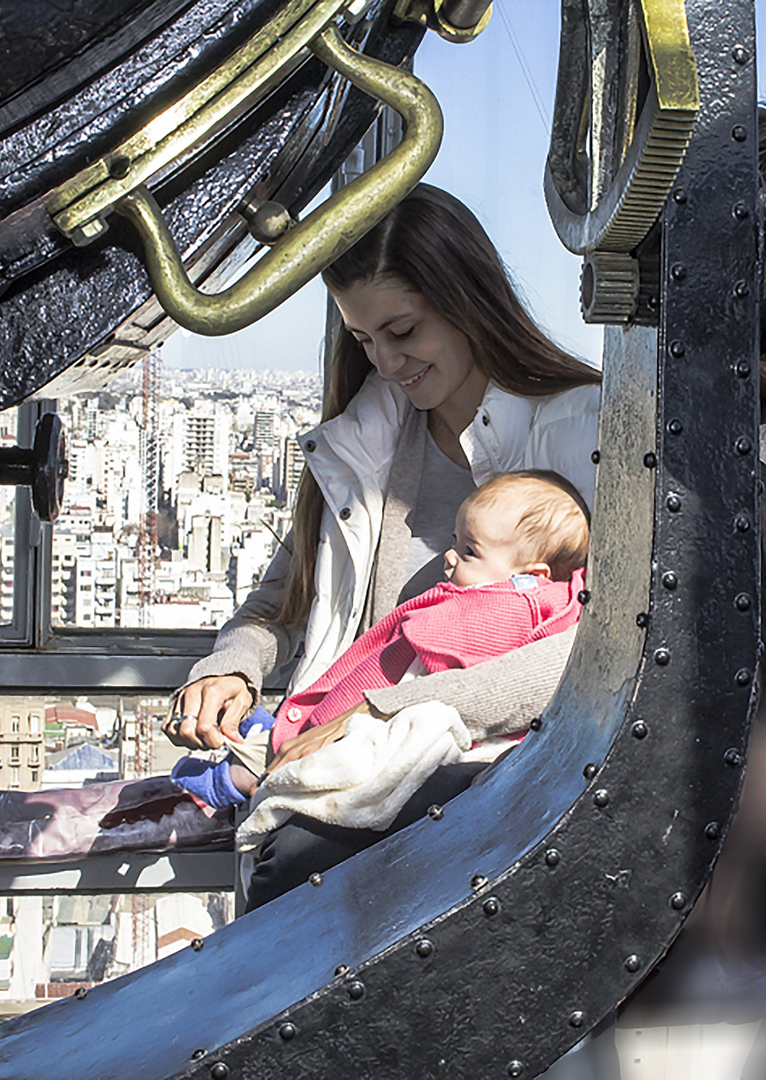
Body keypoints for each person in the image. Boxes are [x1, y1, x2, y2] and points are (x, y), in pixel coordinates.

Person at [164, 184, 602, 908]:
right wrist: (233, 670)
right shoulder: (367, 439)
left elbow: (590, 650)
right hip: (349, 756)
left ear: (468, 302)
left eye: (403, 331)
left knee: (295, 866)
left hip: (494, 772)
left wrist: (386, 711)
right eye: (364, 340)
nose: (388, 362)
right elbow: (286, 602)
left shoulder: (576, 432)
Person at [172, 470, 589, 809]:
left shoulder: (494, 613)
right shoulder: (349, 451)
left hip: (369, 738)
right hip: (349, 725)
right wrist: (233, 666)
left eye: (469, 551)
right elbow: (279, 602)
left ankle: (235, 780)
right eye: (454, 543)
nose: (449, 557)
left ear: (531, 578)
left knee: (310, 771)